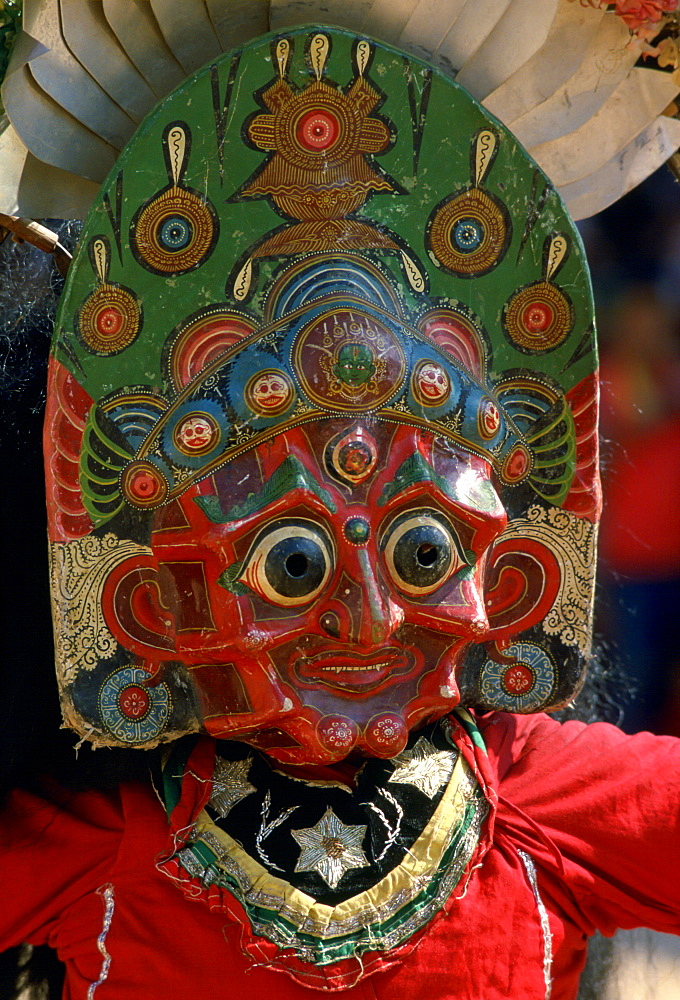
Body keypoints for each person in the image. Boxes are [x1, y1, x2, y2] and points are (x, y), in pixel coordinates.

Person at [0, 23, 678, 1000]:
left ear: (508, 564)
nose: (370, 617)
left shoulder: (534, 803)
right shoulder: (106, 838)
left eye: (419, 550)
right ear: (158, 588)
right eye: (291, 562)